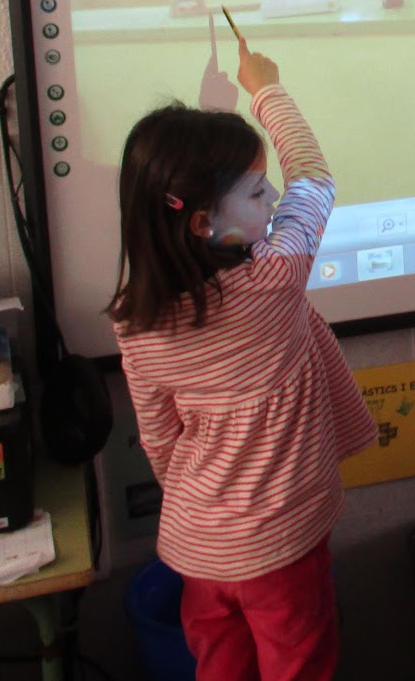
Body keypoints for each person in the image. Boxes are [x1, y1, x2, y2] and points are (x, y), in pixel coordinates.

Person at [108, 39, 375, 681]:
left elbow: (160, 441)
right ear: (202, 224)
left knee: (219, 668)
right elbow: (314, 179)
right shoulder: (273, 282)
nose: (275, 197)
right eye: (257, 193)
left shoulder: (134, 322)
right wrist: (267, 89)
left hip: (199, 547)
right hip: (281, 548)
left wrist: (212, 510)